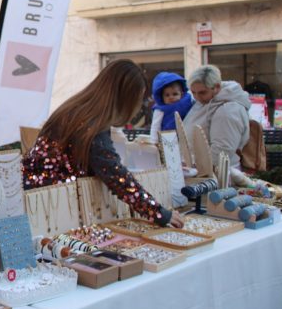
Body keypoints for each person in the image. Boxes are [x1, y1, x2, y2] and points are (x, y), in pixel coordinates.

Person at [22, 59, 183, 228]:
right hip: (48, 208)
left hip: (38, 199)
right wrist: (159, 213)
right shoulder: (93, 125)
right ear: (126, 98)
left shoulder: (77, 110)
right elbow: (116, 176)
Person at [183, 64, 250, 169]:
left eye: (202, 93)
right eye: (193, 93)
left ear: (217, 87)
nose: (197, 97)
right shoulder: (207, 101)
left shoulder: (228, 111)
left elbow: (222, 151)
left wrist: (200, 169)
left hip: (217, 175)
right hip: (202, 171)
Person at [148, 71, 193, 144]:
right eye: (167, 95)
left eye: (175, 94)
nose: (171, 97)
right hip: (168, 139)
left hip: (186, 137)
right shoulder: (160, 109)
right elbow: (155, 126)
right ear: (161, 97)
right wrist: (154, 142)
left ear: (181, 94)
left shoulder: (187, 102)